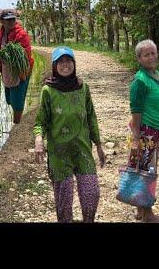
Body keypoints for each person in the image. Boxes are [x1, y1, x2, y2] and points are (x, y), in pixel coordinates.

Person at [34, 47, 106, 223]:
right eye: (61, 61)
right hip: (59, 153)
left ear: (74, 64)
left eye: (69, 61)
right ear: (55, 65)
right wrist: (38, 140)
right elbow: (40, 121)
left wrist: (98, 145)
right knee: (64, 201)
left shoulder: (83, 88)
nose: (65, 65)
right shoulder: (48, 91)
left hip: (82, 150)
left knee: (91, 194)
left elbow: (91, 116)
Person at [127, 39, 159, 223]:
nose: (151, 57)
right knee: (147, 173)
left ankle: (141, 211)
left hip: (156, 132)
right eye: (146, 54)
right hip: (145, 133)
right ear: (139, 58)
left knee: (144, 170)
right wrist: (135, 138)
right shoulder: (140, 81)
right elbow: (136, 110)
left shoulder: (156, 75)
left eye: (153, 53)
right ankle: (148, 215)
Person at [0, 8, 34, 124]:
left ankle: (17, 124)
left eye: (13, 20)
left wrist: (4, 55)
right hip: (7, 71)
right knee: (9, 99)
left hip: (20, 71)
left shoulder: (21, 34)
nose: (11, 22)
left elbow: (25, 56)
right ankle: (17, 119)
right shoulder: (0, 34)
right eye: (7, 20)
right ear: (1, 21)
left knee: (17, 100)